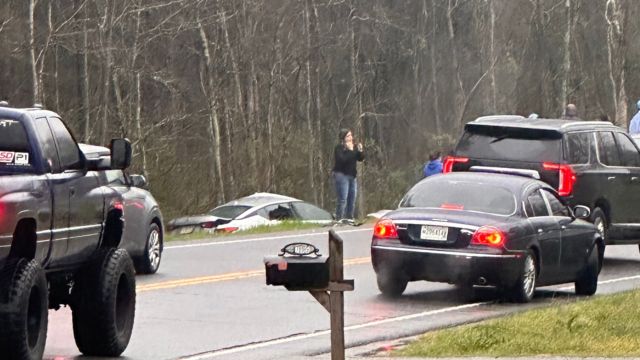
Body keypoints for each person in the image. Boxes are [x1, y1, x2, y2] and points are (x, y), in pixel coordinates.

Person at [332, 128, 364, 220]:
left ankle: (349, 217)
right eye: (348, 136)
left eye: (351, 135)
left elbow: (360, 159)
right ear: (343, 138)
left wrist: (360, 150)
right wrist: (349, 150)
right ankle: (339, 218)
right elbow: (342, 160)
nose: (351, 137)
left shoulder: (353, 146)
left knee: (352, 198)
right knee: (343, 199)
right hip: (341, 175)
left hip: (352, 175)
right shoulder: (339, 148)